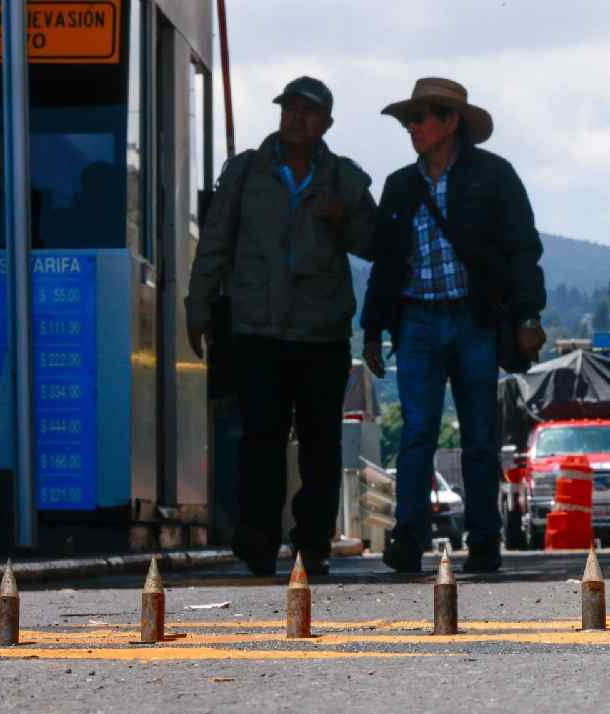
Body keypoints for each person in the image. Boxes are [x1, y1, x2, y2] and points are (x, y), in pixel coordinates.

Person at [186, 76, 378, 576]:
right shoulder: (247, 172)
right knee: (261, 442)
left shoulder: (345, 180)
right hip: (257, 331)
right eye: (289, 108)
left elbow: (379, 244)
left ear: (326, 124)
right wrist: (198, 305)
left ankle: (312, 545)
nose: (295, 117)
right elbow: (215, 243)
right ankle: (258, 543)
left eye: (307, 111)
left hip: (323, 335)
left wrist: (343, 220)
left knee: (321, 446)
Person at [361, 77, 547, 574]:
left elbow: (523, 249)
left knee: (480, 437)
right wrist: (373, 328)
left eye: (421, 118)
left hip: (475, 318)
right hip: (417, 321)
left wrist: (529, 315)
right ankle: (408, 539)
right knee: (418, 433)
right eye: (409, 120)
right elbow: (385, 262)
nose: (412, 128)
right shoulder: (400, 184)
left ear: (451, 123)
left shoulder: (494, 177)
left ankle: (484, 539)